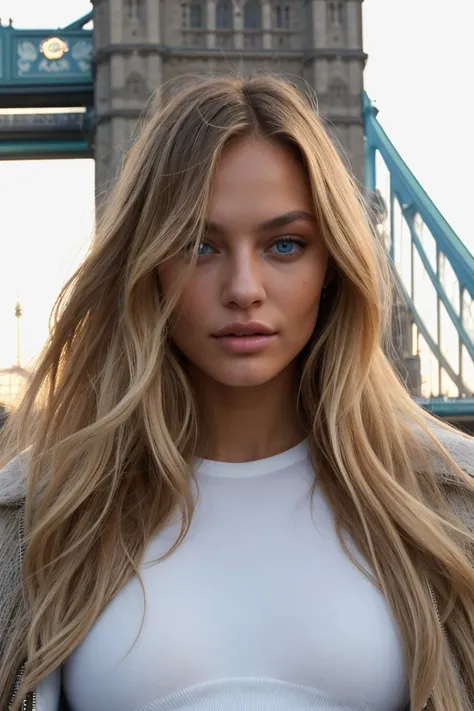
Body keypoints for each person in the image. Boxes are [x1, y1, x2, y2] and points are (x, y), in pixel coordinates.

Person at [1, 74, 473, 711]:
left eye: (285, 244)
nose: (244, 287)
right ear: (145, 266)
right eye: (199, 245)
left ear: (332, 268)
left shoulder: (451, 508)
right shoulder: (39, 517)